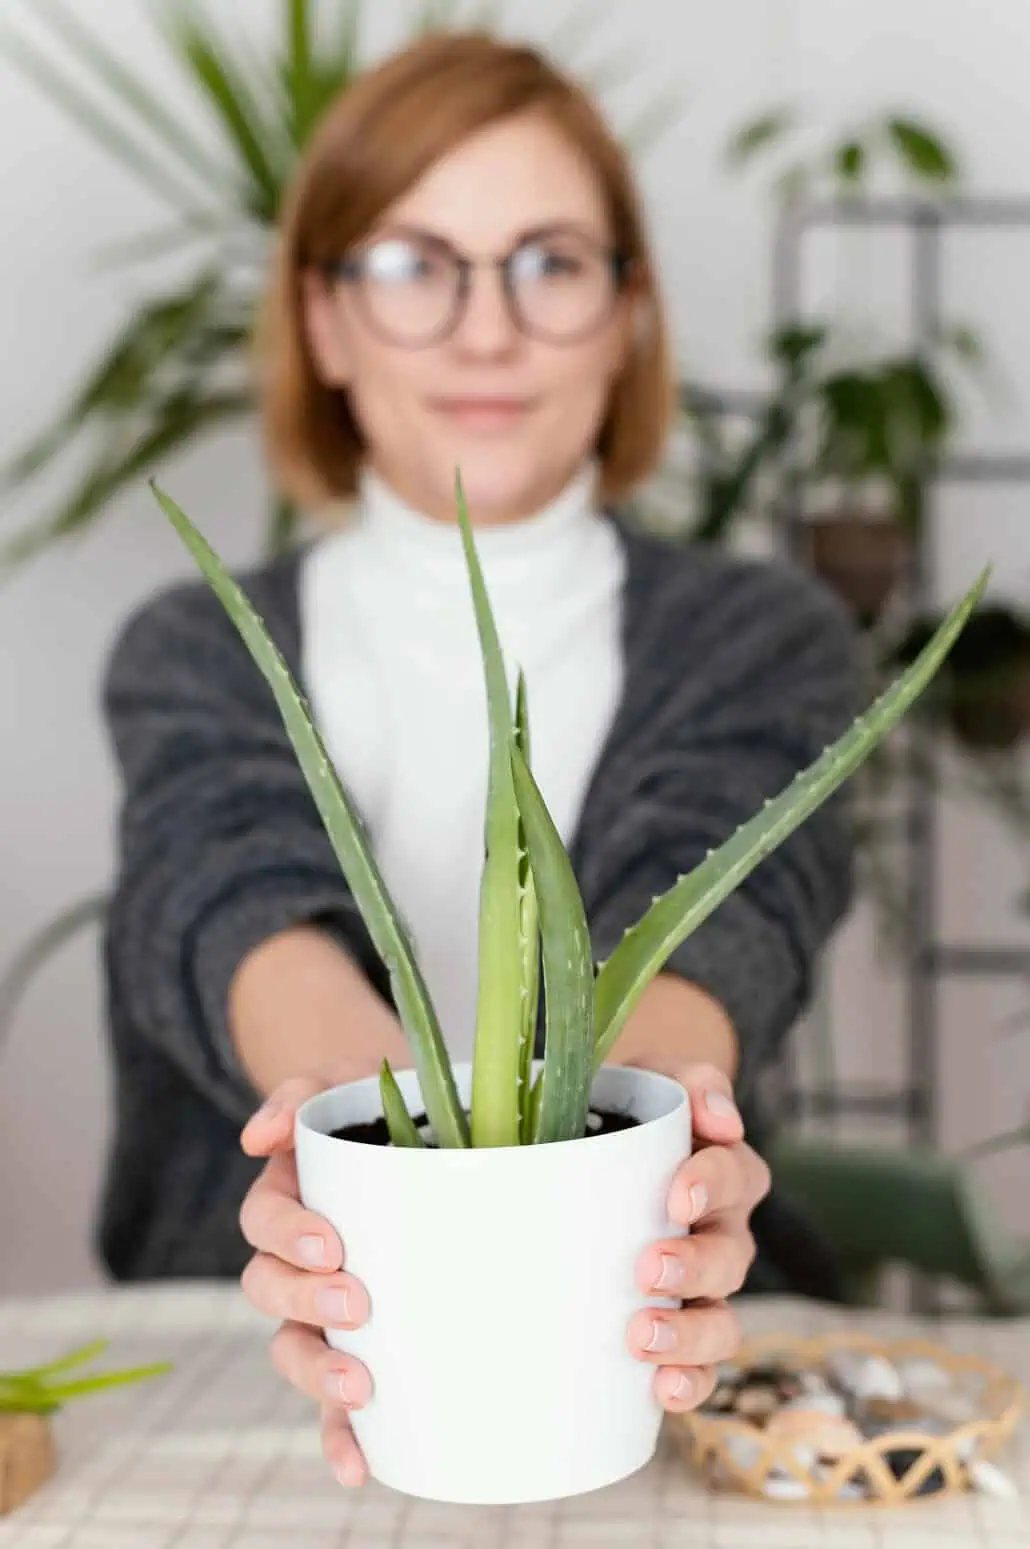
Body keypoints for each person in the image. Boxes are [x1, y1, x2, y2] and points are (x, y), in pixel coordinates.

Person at [98, 32, 860, 1489]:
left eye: (550, 262)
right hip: (255, 1366)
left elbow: (718, 924)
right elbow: (225, 892)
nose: (484, 330)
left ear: (628, 310)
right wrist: (371, 1208)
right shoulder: (193, 648)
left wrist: (634, 1187)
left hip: (660, 1367)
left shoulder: (763, 637)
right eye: (409, 264)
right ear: (320, 321)